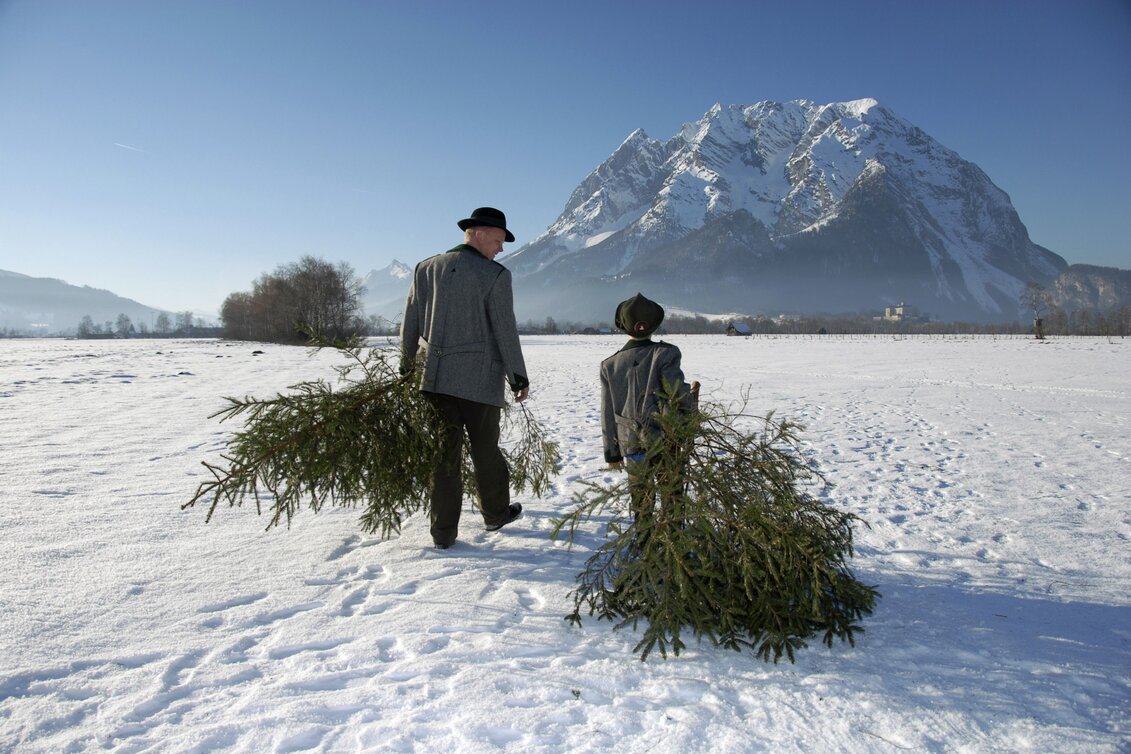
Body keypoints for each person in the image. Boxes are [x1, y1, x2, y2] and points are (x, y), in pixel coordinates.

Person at [401, 207, 530, 549]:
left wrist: (406, 366)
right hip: (478, 381)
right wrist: (518, 377)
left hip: (433, 379)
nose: (501, 249)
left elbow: (410, 322)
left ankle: (442, 534)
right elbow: (506, 332)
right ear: (479, 233)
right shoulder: (495, 276)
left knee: (445, 457)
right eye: (499, 240)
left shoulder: (425, 269)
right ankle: (496, 514)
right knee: (485, 451)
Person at [599, 293, 698, 526]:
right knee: (672, 496)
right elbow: (675, 393)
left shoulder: (610, 365)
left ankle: (645, 544)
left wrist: (611, 452)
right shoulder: (666, 353)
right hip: (666, 440)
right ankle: (675, 545)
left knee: (641, 500)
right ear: (655, 325)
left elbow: (607, 412)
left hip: (631, 443)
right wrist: (691, 409)